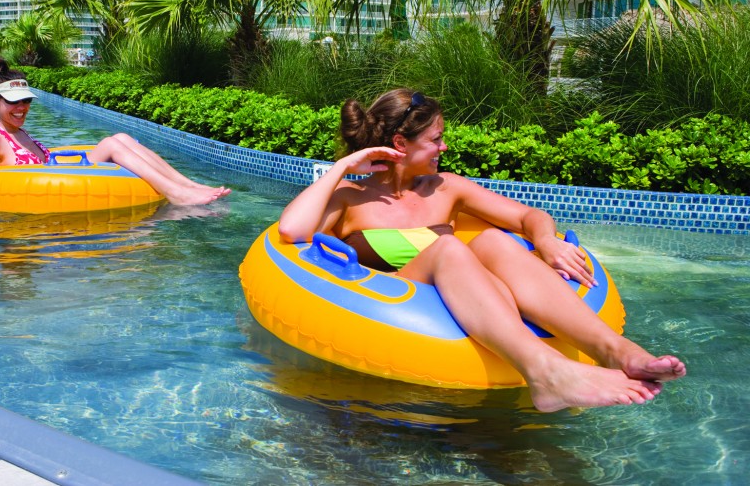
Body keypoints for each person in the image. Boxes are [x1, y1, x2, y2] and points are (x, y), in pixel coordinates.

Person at [277, 88, 686, 412]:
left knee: (491, 239)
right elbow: (292, 230)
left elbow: (529, 216)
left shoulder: (447, 188)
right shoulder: (350, 197)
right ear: (401, 142)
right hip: (397, 297)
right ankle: (545, 372)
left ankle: (617, 351)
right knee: (449, 249)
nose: (444, 148)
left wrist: (544, 241)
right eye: (436, 139)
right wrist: (342, 168)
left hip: (465, 290)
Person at [0, 58, 230, 225]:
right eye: (13, 102)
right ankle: (178, 195)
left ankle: (187, 185)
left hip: (65, 173)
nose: (21, 108)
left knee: (120, 137)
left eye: (25, 101)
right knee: (111, 143)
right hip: (57, 187)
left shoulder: (21, 133)